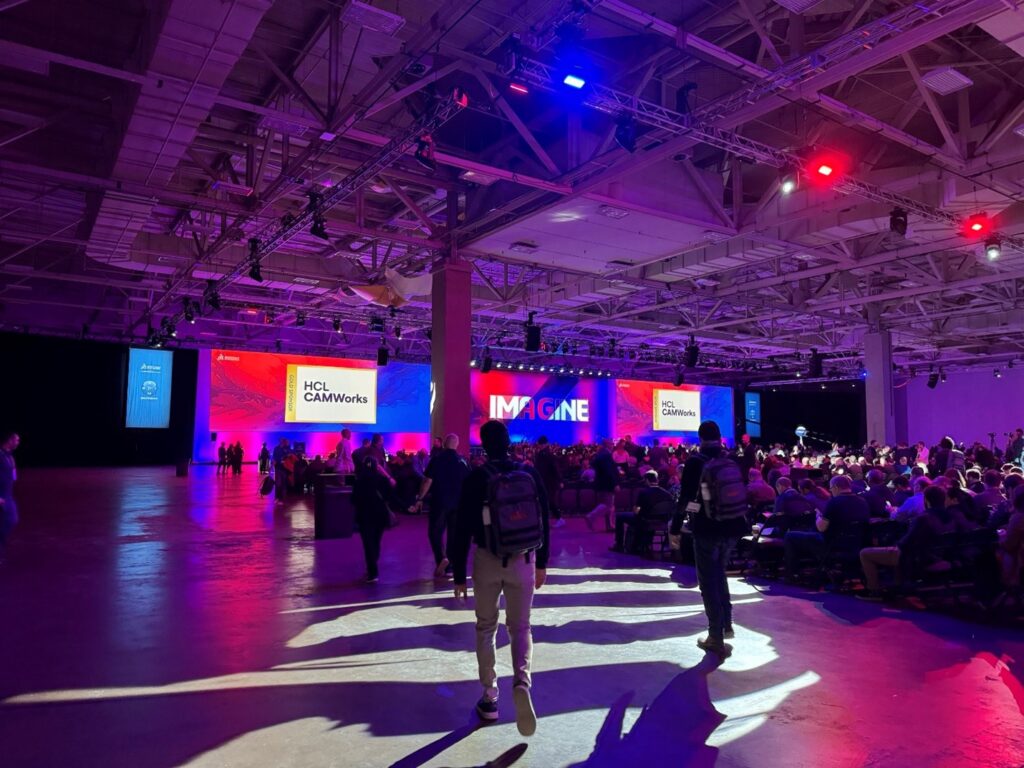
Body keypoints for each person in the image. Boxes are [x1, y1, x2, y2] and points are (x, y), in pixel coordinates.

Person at [451, 420, 549, 736]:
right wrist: (542, 563)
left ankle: (490, 698)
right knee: (520, 627)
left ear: (483, 445)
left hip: (487, 560)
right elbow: (543, 515)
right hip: (524, 559)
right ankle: (521, 682)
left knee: (486, 627)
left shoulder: (476, 477)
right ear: (509, 442)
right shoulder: (529, 473)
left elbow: (461, 526)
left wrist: (457, 573)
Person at [672, 420, 749, 659]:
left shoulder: (696, 461)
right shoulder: (731, 458)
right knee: (720, 573)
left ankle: (715, 636)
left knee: (707, 580)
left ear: (700, 437)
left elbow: (687, 497)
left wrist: (676, 526)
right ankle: (726, 624)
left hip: (708, 527)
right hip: (734, 524)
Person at [858, 486, 975, 600]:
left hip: (918, 558)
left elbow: (906, 544)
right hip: (939, 556)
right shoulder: (953, 517)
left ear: (926, 500)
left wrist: (895, 544)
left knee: (865, 553)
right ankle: (898, 586)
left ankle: (874, 590)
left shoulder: (923, 519)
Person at [784, 475, 869, 577]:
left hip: (832, 543)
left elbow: (821, 528)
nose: (831, 491)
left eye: (831, 488)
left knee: (790, 536)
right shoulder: (862, 501)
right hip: (855, 543)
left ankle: (792, 574)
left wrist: (818, 517)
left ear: (836, 487)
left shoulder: (834, 502)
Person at [415, 433, 469, 577]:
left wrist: (420, 498)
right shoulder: (462, 461)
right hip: (458, 504)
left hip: (439, 502)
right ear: (456, 445)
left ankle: (441, 558)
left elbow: (427, 481)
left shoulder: (436, 460)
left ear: (444, 444)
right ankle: (450, 566)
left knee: (434, 532)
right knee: (453, 534)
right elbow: (468, 484)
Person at [352, 456, 395, 583]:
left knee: (368, 543)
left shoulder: (359, 481)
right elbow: (390, 496)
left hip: (365, 516)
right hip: (380, 515)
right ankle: (373, 563)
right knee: (376, 541)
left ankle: (373, 572)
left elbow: (354, 500)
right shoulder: (382, 479)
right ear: (377, 466)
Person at [611, 468, 674, 553]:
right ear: (657, 480)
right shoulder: (667, 493)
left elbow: (636, 510)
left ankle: (619, 545)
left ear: (647, 480)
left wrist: (636, 510)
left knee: (619, 516)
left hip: (645, 520)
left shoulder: (644, 492)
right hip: (662, 521)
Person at [586, 439, 620, 531]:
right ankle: (591, 516)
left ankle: (609, 526)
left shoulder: (600, 454)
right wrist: (615, 484)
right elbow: (609, 471)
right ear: (607, 445)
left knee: (607, 505)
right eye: (612, 444)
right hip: (607, 484)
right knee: (608, 505)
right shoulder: (606, 455)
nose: (613, 445)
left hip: (601, 483)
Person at [533, 436, 564, 528]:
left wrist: (560, 480)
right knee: (547, 501)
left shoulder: (546, 455)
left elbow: (555, 469)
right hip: (546, 481)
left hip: (548, 482)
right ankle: (552, 518)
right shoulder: (544, 454)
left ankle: (558, 518)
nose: (540, 446)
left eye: (541, 444)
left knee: (549, 500)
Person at [0, 430, 20, 563]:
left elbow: (12, 476)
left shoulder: (9, 456)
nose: (18, 442)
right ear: (9, 440)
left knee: (12, 520)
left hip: (8, 495)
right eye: (16, 440)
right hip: (1, 496)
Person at [271, 438, 290, 504]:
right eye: (283, 441)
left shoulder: (287, 449)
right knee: (278, 484)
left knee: (283, 484)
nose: (284, 442)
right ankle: (277, 498)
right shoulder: (277, 448)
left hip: (284, 468)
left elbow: (289, 456)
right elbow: (274, 457)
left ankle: (281, 499)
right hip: (279, 468)